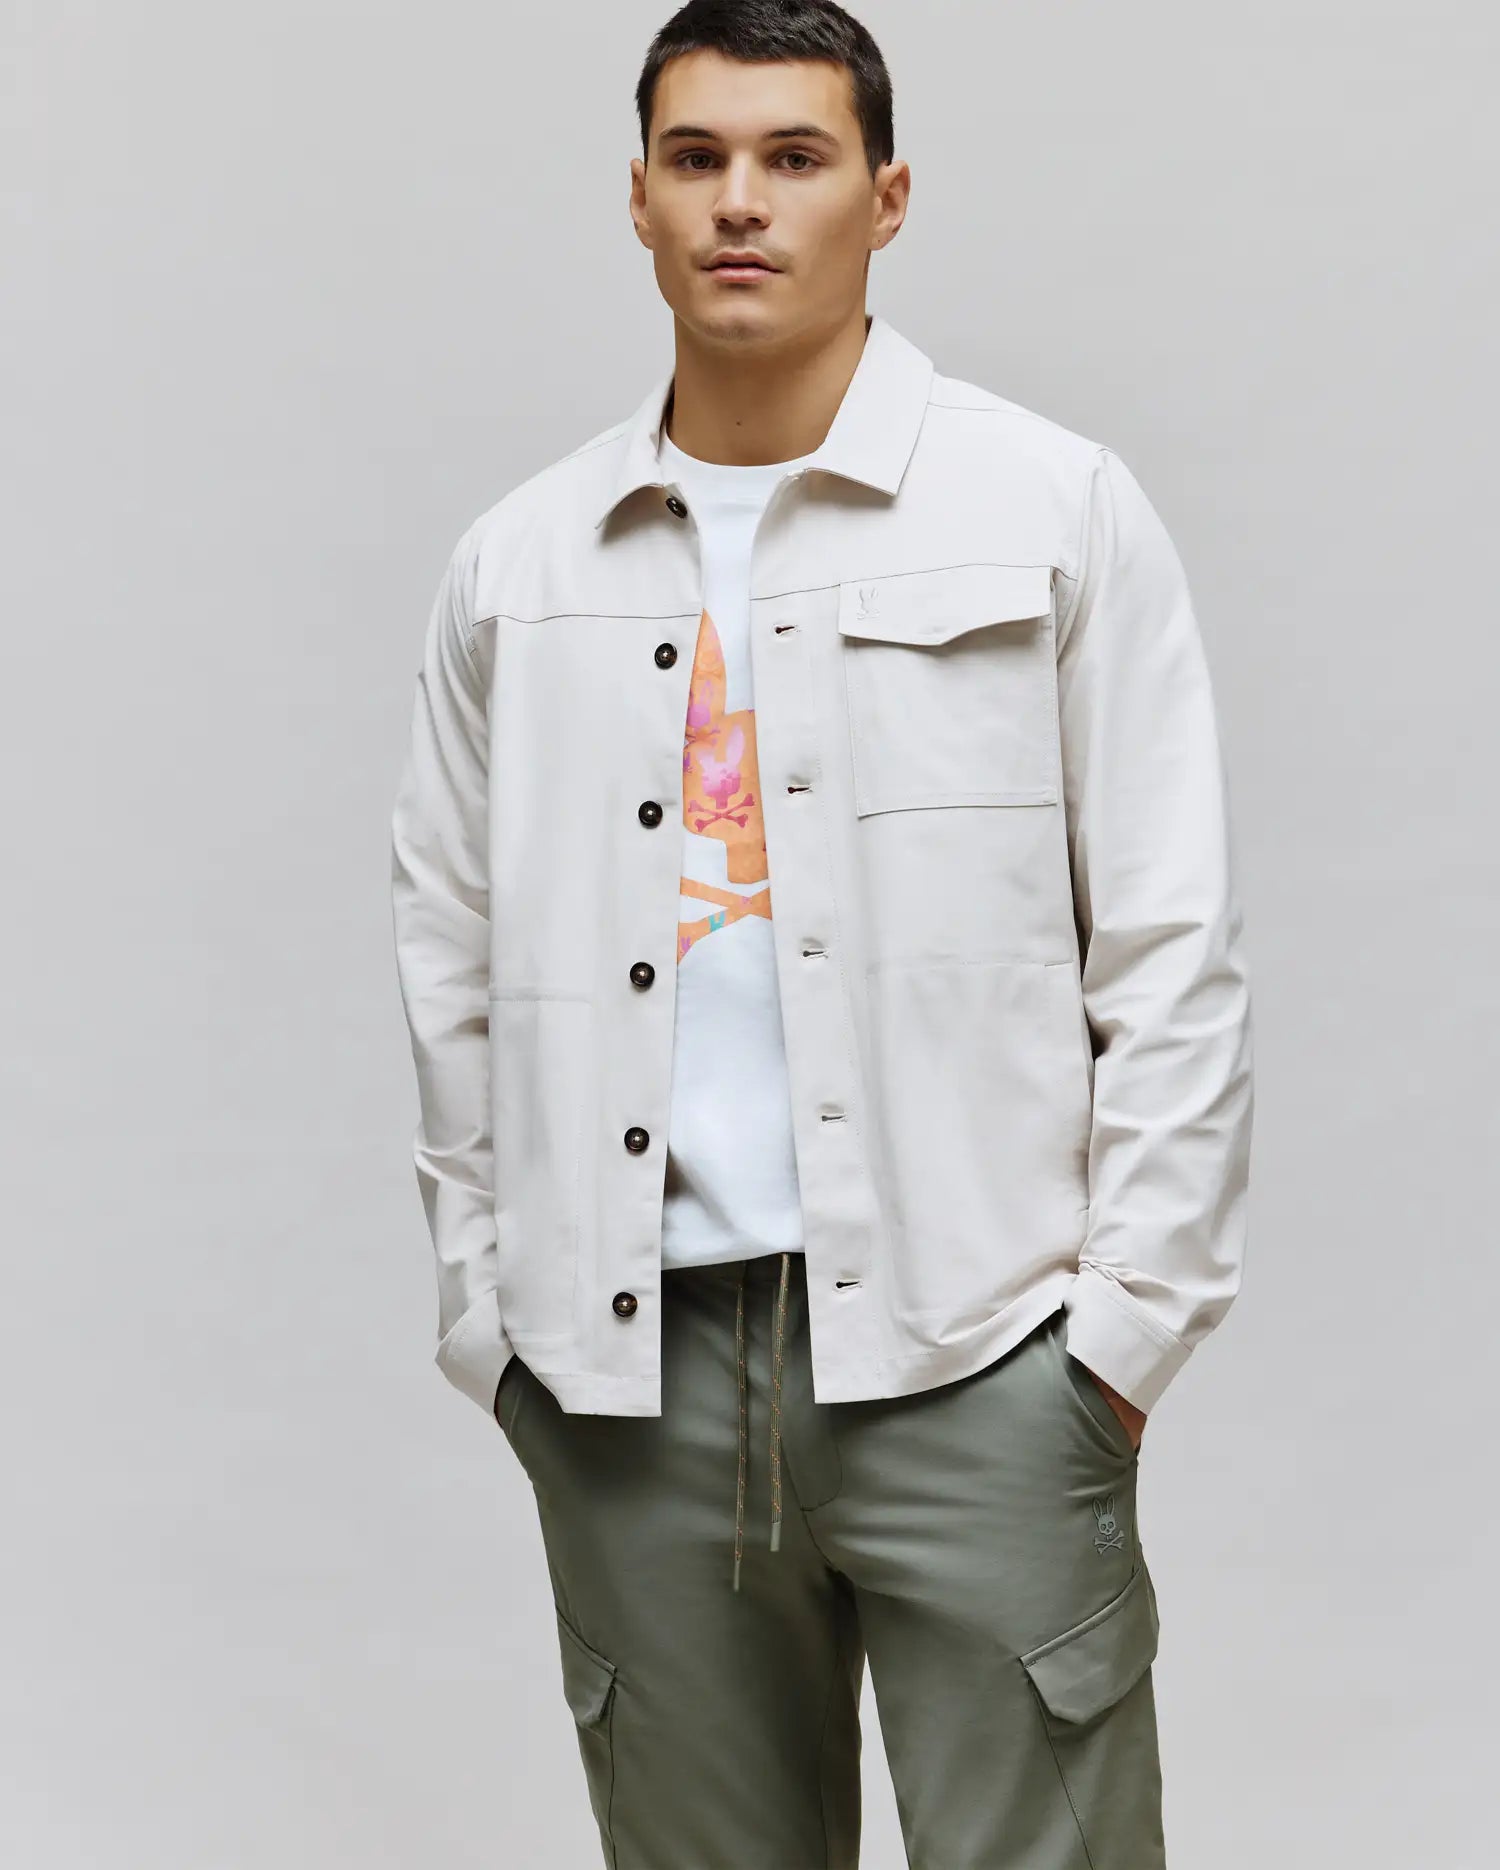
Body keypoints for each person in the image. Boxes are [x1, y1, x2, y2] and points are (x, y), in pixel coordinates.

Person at [389, 2, 1254, 1863]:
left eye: (795, 157)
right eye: (696, 158)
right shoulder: (519, 568)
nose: (741, 203)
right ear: (637, 198)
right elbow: (447, 960)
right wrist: (491, 1324)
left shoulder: (1049, 510)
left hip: (983, 1351)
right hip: (632, 1385)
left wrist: (1116, 1343)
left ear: (888, 195)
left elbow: (1172, 945)